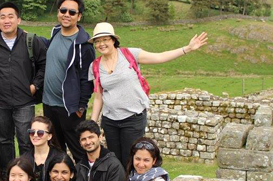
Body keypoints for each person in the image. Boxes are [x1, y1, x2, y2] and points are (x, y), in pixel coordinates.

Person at [89, 22, 208, 166]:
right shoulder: (95, 66)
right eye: (98, 41)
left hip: (132, 118)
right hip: (110, 120)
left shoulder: (130, 54)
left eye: (105, 39)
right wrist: (92, 124)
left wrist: (187, 48)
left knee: (131, 159)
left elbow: (160, 57)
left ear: (113, 40)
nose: (101, 44)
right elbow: (98, 97)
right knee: (114, 161)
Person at [0, 2, 47, 164]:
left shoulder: (30, 40)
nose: (6, 20)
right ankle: (7, 174)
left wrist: (35, 85)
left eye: (10, 16)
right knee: (4, 140)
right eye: (2, 17)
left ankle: (26, 173)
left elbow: (44, 64)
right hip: (0, 102)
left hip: (24, 101)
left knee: (26, 140)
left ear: (18, 20)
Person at [43, 0, 95, 163]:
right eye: (63, 10)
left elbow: (87, 77)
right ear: (58, 12)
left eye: (72, 12)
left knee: (78, 151)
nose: (67, 14)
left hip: (70, 108)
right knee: (55, 150)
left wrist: (81, 105)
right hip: (49, 104)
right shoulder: (55, 32)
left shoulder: (83, 44)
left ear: (79, 16)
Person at [21, 115, 64, 181]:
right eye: (32, 132)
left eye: (40, 133)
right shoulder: (24, 158)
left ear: (49, 136)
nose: (35, 135)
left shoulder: (60, 158)